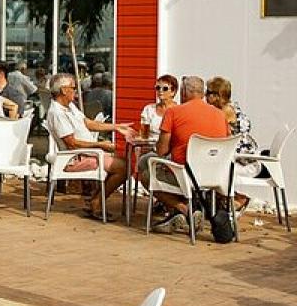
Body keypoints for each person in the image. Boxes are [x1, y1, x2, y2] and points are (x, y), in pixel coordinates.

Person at [138, 75, 230, 232]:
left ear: (184, 92)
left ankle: (184, 209)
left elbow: (161, 151)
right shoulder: (220, 115)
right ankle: (183, 212)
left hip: (185, 176)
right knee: (154, 163)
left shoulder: (173, 112)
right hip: (215, 176)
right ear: (202, 93)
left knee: (146, 171)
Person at [45, 73, 134, 221]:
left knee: (125, 162)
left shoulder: (69, 106)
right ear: (63, 90)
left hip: (87, 153)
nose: (76, 91)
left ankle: (96, 200)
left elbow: (87, 123)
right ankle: (96, 202)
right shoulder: (57, 113)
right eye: (73, 87)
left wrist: (117, 127)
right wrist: (100, 145)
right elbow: (72, 143)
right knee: (124, 167)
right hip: (74, 158)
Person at [206, 76, 258, 200]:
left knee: (208, 171)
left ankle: (238, 200)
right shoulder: (230, 107)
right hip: (239, 159)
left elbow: (210, 133)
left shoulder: (225, 111)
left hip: (244, 163)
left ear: (217, 95)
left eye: (208, 92)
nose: (205, 95)